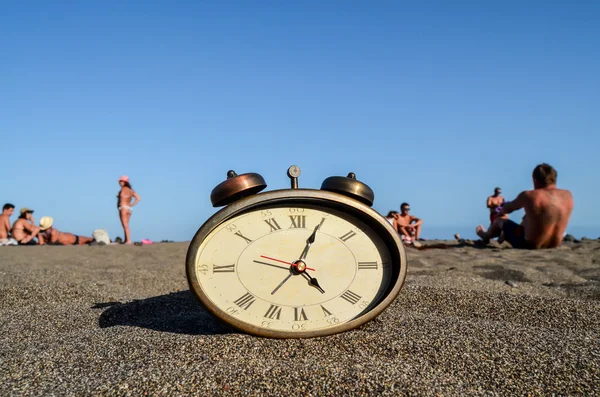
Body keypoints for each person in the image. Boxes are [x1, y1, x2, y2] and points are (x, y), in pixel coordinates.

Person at [476, 163, 573, 249]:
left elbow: (507, 208)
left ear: (535, 180)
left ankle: (486, 235)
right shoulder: (568, 195)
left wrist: (500, 213)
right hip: (555, 244)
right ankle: (504, 235)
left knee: (500, 220)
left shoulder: (530, 195)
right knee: (528, 217)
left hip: (530, 244)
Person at [116, 175, 141, 245]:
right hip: (129, 208)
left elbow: (121, 199)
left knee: (125, 225)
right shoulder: (131, 190)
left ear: (124, 182)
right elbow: (138, 198)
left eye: (120, 181)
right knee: (126, 225)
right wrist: (132, 204)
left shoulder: (122, 190)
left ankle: (128, 240)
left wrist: (119, 197)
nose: (119, 183)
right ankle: (126, 239)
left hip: (123, 208)